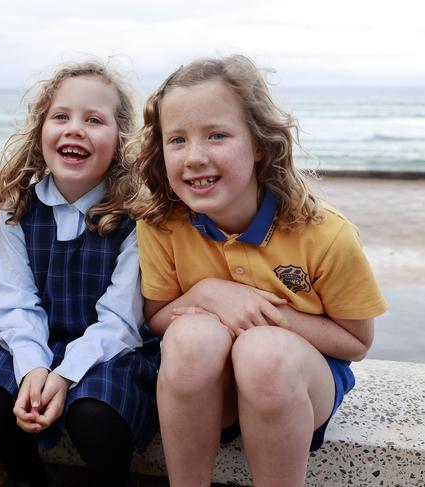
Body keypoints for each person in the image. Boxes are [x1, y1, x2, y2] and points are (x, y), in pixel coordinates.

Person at [128, 55, 387, 486]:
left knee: (263, 352)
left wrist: (264, 318)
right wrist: (210, 292)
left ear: (260, 144)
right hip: (207, 393)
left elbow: (356, 342)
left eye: (217, 135)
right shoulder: (160, 224)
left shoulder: (325, 233)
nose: (194, 157)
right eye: (177, 140)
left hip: (293, 387)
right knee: (191, 335)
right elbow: (157, 318)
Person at [0, 62, 159, 487]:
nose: (75, 128)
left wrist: (65, 374)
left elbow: (121, 320)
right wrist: (35, 367)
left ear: (122, 139)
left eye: (94, 120)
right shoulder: (18, 208)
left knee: (94, 410)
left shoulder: (135, 217)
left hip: (115, 348)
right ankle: (27, 477)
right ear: (41, 131)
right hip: (42, 336)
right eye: (61, 116)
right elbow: (14, 300)